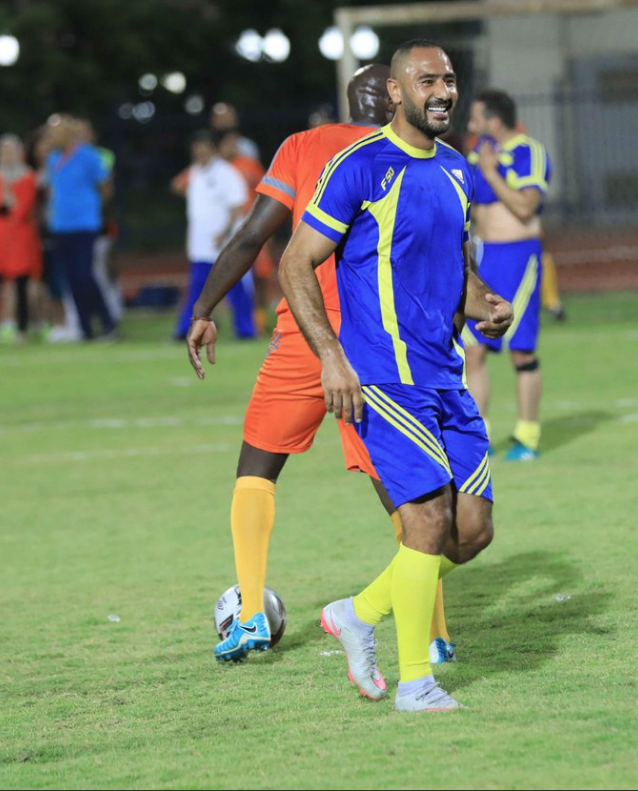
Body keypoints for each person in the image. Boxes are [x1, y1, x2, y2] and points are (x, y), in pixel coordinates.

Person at [187, 65, 460, 667]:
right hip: (380, 342)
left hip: (304, 334)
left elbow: (254, 235)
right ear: (394, 96)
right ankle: (435, 635)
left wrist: (204, 307)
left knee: (256, 467)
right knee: (406, 495)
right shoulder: (422, 154)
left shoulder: (305, 146)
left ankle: (251, 614)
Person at [277, 40, 513, 712]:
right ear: (396, 93)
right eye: (426, 80)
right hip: (383, 376)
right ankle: (417, 682)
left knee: (472, 533)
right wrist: (331, 355)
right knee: (427, 521)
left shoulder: (457, 172)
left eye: (449, 80)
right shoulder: (360, 167)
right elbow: (296, 264)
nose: (442, 91)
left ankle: (357, 612)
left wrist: (485, 304)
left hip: (446, 376)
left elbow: (457, 270)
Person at [463, 89, 551, 462]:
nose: (469, 124)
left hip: (517, 258)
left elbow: (526, 208)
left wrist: (490, 172)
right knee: (472, 349)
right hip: (483, 258)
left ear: (494, 121)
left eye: (476, 118)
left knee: (521, 350)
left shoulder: (528, 152)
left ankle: (527, 437)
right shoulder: (476, 151)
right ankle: (476, 437)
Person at [172, 131, 254, 341]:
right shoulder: (195, 173)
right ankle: (185, 329)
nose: (201, 155)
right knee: (198, 288)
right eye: (197, 151)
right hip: (201, 244)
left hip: (223, 242)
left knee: (234, 285)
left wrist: (225, 232)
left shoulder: (226, 173)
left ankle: (246, 330)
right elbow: (177, 187)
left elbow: (237, 205)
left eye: (204, 151)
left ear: (213, 150)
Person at [44, 114, 117, 340]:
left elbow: (105, 188)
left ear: (67, 133)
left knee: (85, 275)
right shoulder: (52, 159)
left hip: (85, 225)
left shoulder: (88, 156)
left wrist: (90, 207)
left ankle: (107, 322)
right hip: (61, 226)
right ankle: (85, 328)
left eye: (54, 132)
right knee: (72, 279)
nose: (50, 137)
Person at [0, 134, 42, 344]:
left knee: (21, 286)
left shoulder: (28, 177)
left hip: (20, 239)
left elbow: (22, 209)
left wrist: (8, 203)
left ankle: (22, 330)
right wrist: (3, 203)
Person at [217, 128, 275, 337]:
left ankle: (259, 321)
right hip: (226, 232)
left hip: (254, 228)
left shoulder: (249, 164)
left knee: (260, 277)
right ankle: (231, 320)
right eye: (228, 143)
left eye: (235, 142)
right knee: (228, 277)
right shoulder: (215, 169)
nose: (233, 147)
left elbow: (267, 191)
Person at [75, 118, 123, 325]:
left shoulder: (102, 156)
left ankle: (113, 310)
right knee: (85, 269)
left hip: (101, 220)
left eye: (84, 132)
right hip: (79, 222)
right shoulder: (67, 158)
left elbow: (103, 187)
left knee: (103, 266)